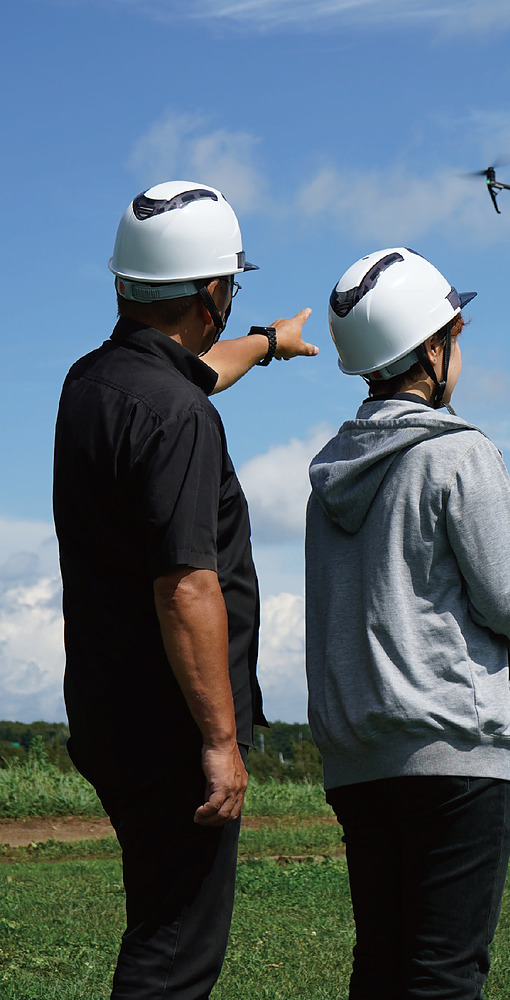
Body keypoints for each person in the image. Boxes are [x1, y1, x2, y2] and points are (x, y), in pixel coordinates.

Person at [304, 247, 510, 999]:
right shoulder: (460, 453)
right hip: (455, 754)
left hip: (360, 761)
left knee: (381, 965)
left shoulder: (329, 472)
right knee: (443, 973)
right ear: (431, 350)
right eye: (454, 338)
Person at [52, 180, 318, 999]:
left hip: (108, 709)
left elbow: (194, 373)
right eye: (230, 286)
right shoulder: (179, 418)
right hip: (171, 725)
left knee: (158, 921)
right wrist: (219, 741)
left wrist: (268, 342)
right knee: (175, 951)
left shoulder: (95, 382)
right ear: (211, 291)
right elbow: (186, 587)